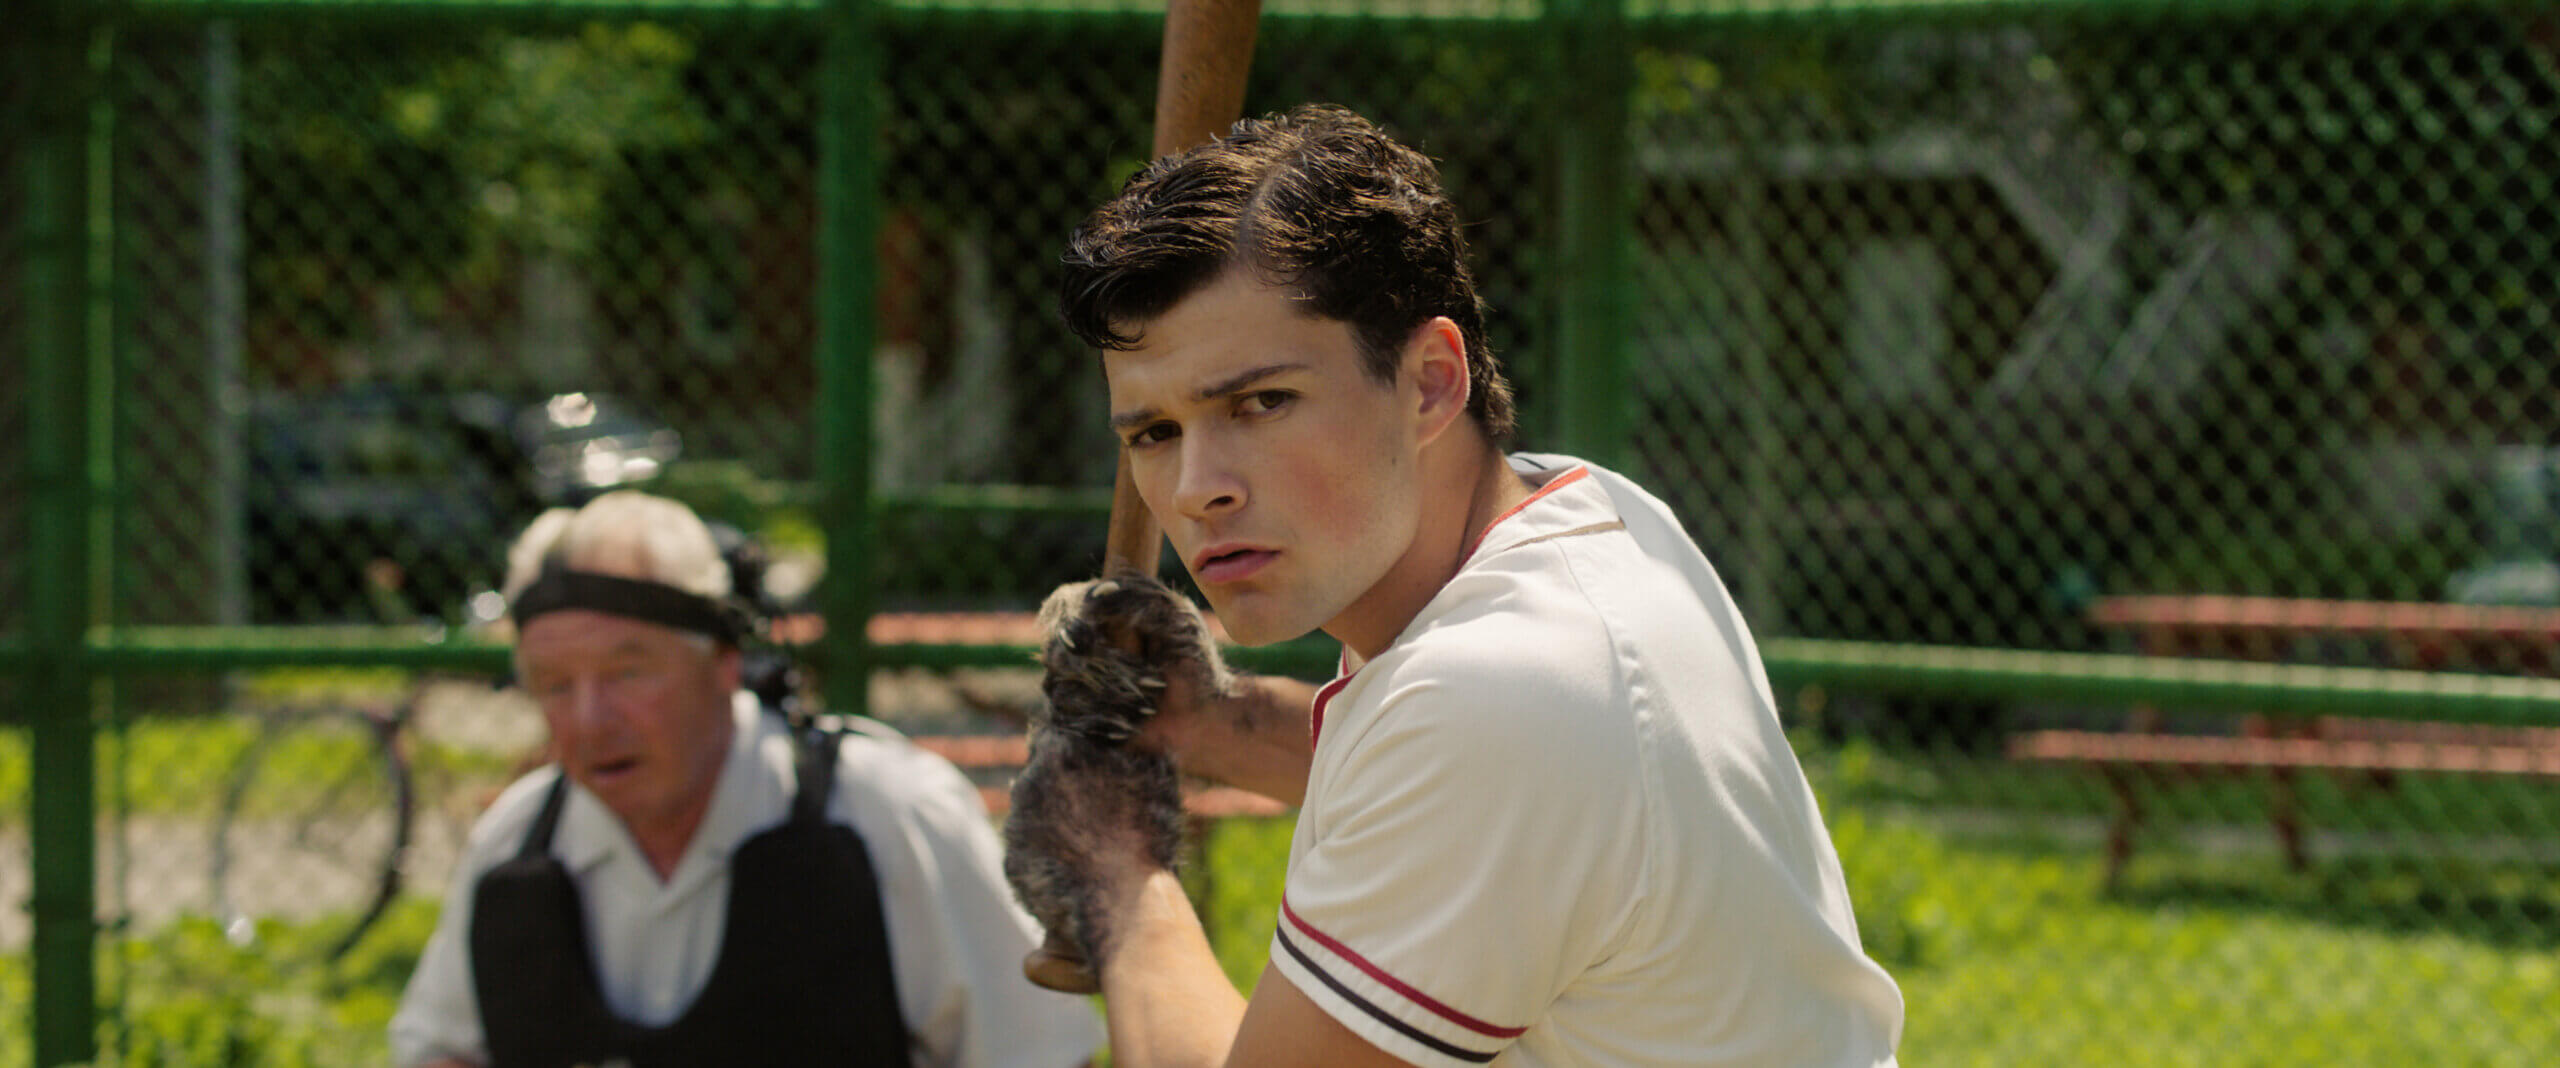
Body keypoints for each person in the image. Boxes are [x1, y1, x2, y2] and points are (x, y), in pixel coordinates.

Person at [1002, 104, 1905, 1067]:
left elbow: (1465, 754)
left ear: (1431, 381)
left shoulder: (1498, 694)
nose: (1196, 488)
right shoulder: (1591, 519)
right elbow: (1440, 782)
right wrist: (1206, 724)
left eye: (1261, 403)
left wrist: (1115, 876)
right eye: (1154, 433)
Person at [390, 490, 1101, 1067]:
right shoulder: (516, 843)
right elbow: (440, 1049)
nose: (589, 719)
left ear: (724, 663)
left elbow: (1042, 1053)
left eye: (627, 672)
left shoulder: (886, 817)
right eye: (551, 684)